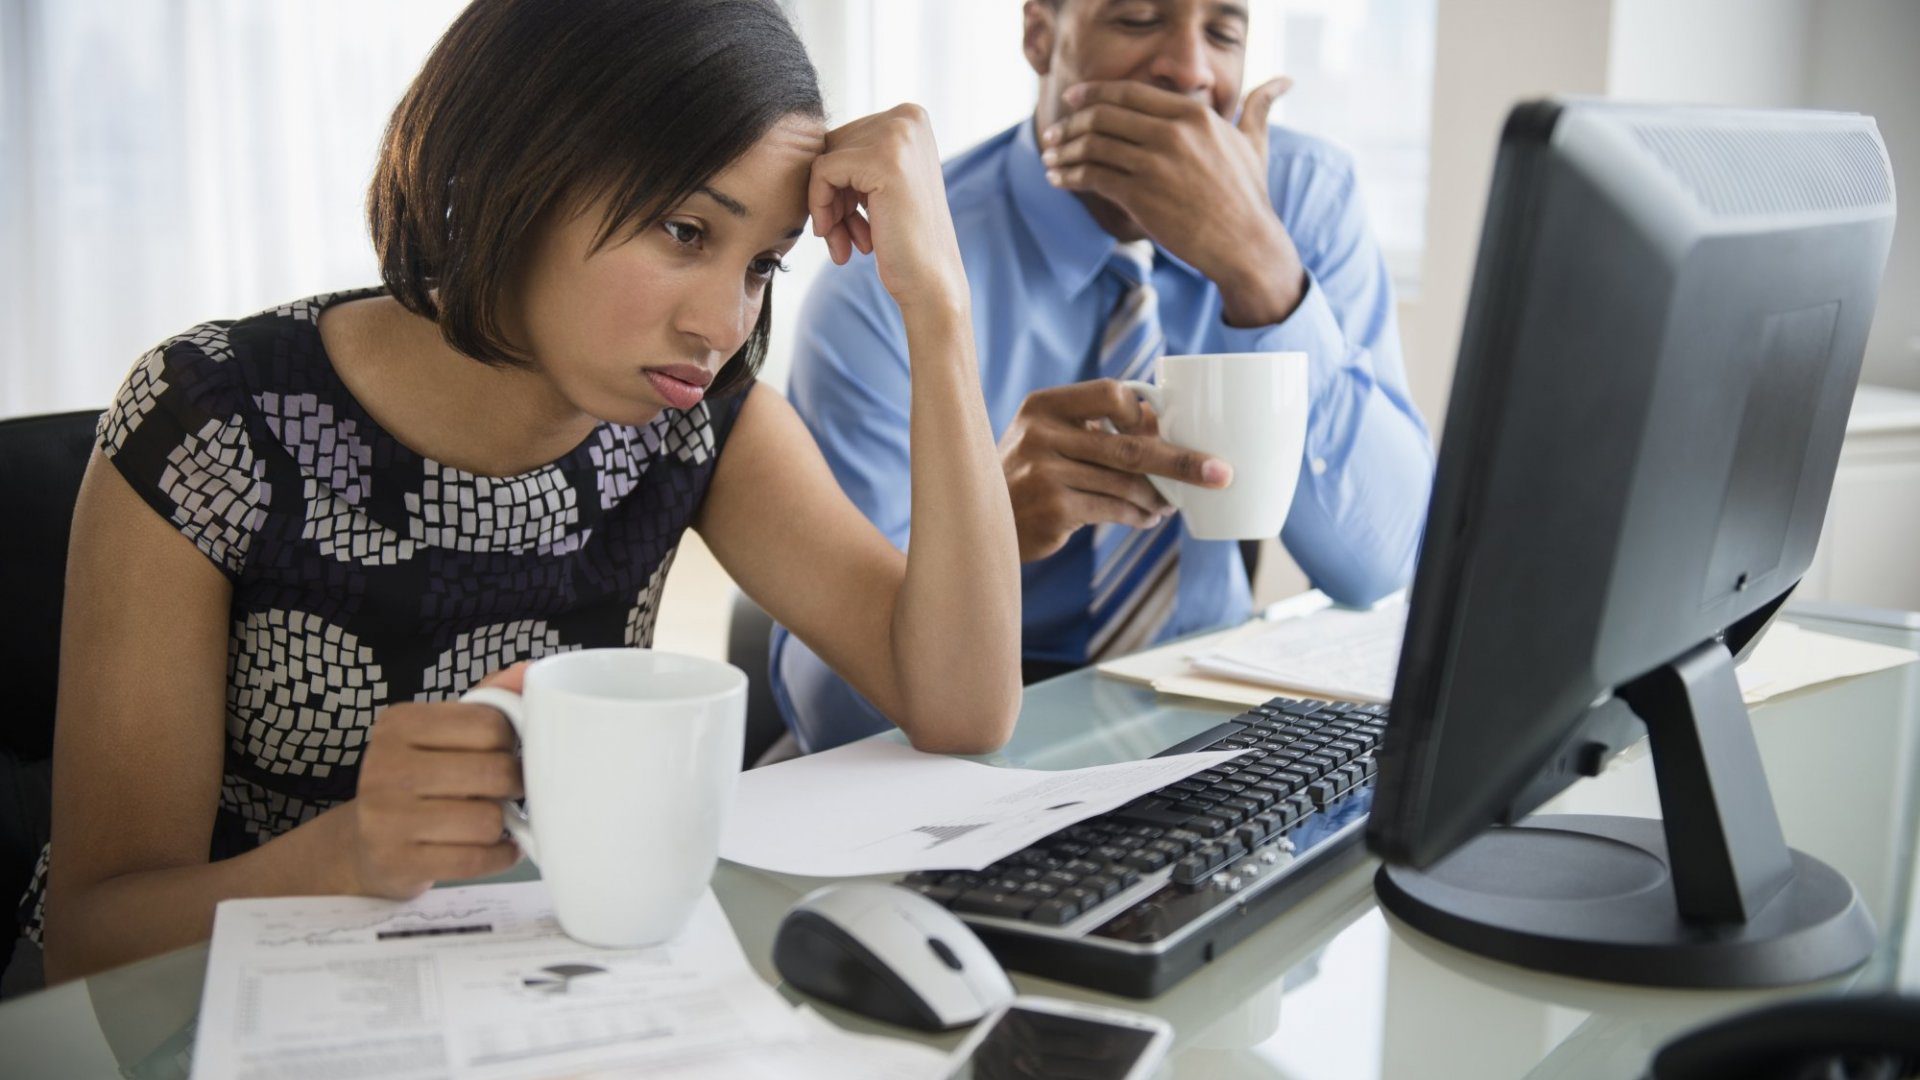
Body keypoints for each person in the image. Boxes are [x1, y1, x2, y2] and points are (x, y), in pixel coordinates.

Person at [28, 0, 1020, 984]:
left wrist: (937, 304)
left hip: (508, 995)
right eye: (684, 231)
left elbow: (963, 708)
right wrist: (348, 861)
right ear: (516, 168)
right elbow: (89, 933)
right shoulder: (210, 417)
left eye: (762, 264)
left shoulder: (701, 422)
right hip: (197, 1018)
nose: (721, 321)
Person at [772, 0, 1436, 750]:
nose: (1189, 69)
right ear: (1039, 34)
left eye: (1223, 32)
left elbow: (1385, 565)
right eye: (1138, 17)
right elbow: (825, 712)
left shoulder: (1306, 203)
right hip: (965, 740)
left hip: (1208, 714)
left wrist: (1258, 263)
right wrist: (985, 533)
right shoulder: (888, 262)